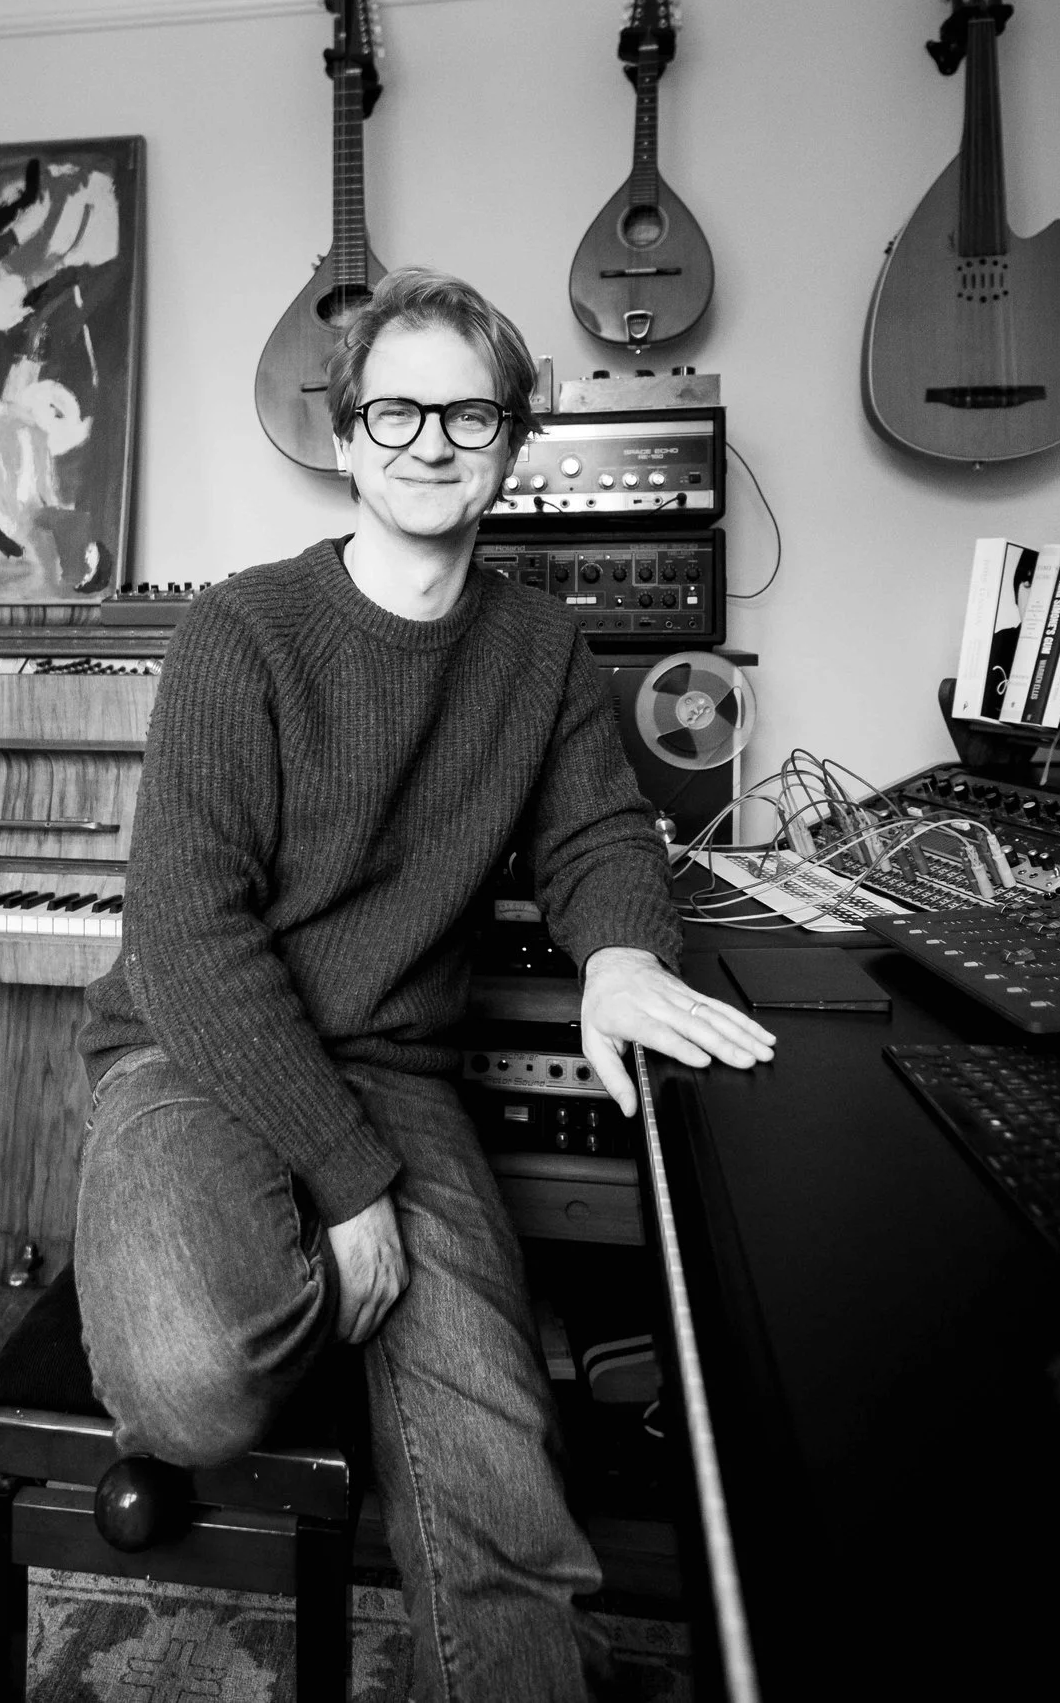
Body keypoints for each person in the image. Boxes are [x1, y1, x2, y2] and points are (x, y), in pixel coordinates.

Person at [74, 267, 774, 1699]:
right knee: (194, 1387)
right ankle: (260, 1272)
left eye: (469, 413)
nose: (431, 441)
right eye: (396, 410)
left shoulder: (541, 645)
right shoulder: (241, 632)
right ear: (346, 437)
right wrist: (348, 1189)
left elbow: (596, 835)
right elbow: (189, 936)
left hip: (397, 1073)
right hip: (194, 1047)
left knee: (503, 1475)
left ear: (512, 441)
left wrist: (621, 953)